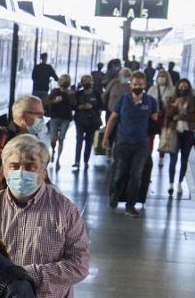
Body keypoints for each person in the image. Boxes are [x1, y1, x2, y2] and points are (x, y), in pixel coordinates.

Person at [0, 136, 90, 298]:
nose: (21, 172)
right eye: (14, 166)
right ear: (4, 169)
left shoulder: (65, 210)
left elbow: (80, 264)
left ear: (43, 171)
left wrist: (29, 274)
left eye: (30, 166)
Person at [102, 72, 160, 217]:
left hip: (141, 144)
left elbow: (154, 121)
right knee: (120, 172)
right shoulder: (123, 100)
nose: (137, 87)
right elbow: (113, 119)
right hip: (123, 142)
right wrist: (106, 137)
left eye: (140, 85)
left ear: (145, 85)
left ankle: (130, 205)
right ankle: (114, 195)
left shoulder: (151, 102)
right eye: (135, 85)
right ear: (130, 85)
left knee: (137, 174)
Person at [166, 78, 195, 197]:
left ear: (189, 88)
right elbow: (168, 115)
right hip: (174, 132)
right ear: (177, 88)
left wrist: (181, 117)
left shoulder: (194, 100)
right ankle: (171, 184)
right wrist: (175, 106)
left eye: (185, 87)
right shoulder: (171, 99)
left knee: (184, 159)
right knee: (173, 159)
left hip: (188, 133)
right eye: (181, 87)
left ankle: (180, 182)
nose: (183, 89)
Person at [72, 73, 103, 172]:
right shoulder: (78, 94)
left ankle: (86, 161)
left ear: (92, 82)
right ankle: (77, 161)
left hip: (93, 121)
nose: (86, 83)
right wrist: (79, 106)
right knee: (79, 139)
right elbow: (73, 105)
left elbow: (101, 106)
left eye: (88, 81)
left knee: (89, 141)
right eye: (84, 81)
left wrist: (92, 107)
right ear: (81, 83)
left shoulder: (96, 94)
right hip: (80, 120)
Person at [147, 68, 176, 169]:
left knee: (163, 137)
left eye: (163, 76)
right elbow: (147, 100)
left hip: (165, 117)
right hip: (152, 116)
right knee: (150, 137)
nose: (161, 78)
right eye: (160, 76)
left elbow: (174, 104)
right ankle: (148, 156)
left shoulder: (172, 90)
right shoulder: (152, 89)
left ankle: (161, 157)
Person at [45, 75, 75, 168]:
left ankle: (58, 159)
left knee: (61, 138)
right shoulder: (55, 91)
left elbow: (74, 104)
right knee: (53, 138)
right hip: (55, 116)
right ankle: (53, 150)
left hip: (66, 118)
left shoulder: (71, 93)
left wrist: (71, 96)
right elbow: (47, 102)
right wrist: (54, 101)